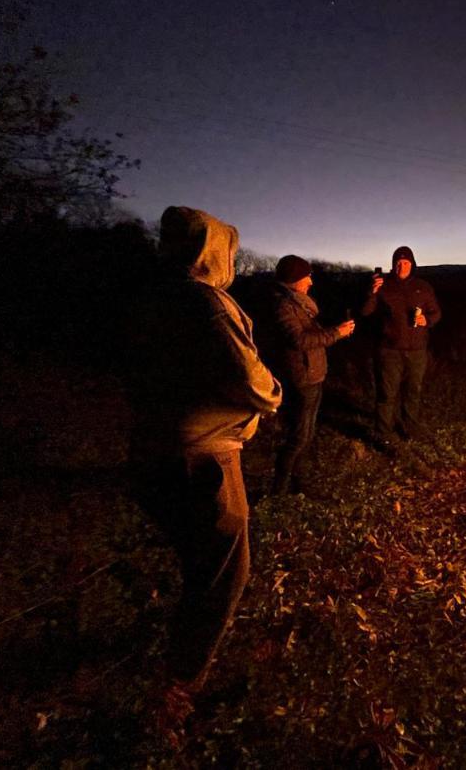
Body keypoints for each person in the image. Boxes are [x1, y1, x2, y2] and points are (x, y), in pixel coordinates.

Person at [127, 206, 281, 737]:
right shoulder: (206, 304)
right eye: (229, 251)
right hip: (204, 456)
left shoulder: (153, 297)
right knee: (225, 569)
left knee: (198, 556)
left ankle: (181, 642)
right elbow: (248, 375)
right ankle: (180, 684)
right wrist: (273, 395)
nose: (233, 261)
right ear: (212, 251)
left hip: (152, 448)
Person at [261, 254, 355, 495]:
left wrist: (334, 329)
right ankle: (279, 489)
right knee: (299, 436)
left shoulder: (298, 302)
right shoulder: (282, 305)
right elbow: (298, 339)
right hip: (301, 376)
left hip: (314, 373)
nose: (310, 282)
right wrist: (335, 334)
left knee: (307, 433)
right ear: (294, 279)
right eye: (307, 277)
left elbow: (309, 331)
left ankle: (298, 483)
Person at [360, 245, 441, 447]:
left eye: (405, 263)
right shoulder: (383, 285)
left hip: (417, 350)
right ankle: (383, 432)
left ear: (412, 264)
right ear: (393, 265)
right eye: (398, 263)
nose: (401, 266)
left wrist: (426, 321)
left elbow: (436, 313)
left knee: (413, 391)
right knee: (387, 393)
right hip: (390, 350)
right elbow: (365, 312)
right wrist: (372, 293)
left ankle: (410, 427)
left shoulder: (423, 286)